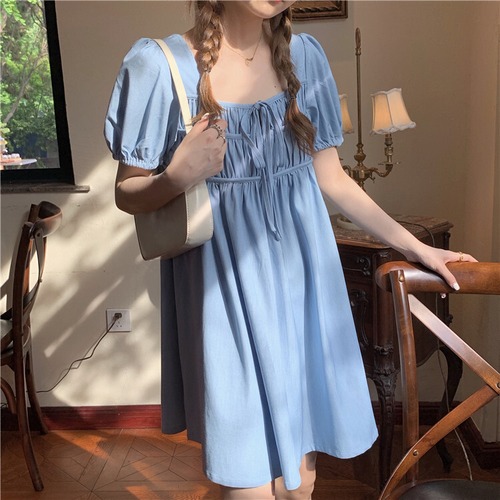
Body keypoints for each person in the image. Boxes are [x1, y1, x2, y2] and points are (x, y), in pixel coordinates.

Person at [104, 2, 476, 498]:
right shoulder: (160, 65)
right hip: (223, 294)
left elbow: (333, 179)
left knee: (301, 484)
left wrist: (417, 248)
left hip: (303, 288)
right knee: (248, 485)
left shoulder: (305, 58)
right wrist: (176, 177)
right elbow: (126, 192)